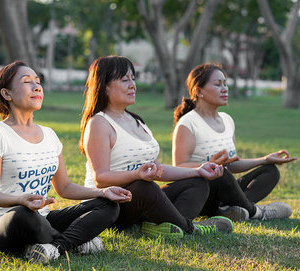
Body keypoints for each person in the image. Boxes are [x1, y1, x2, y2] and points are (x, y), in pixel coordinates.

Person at [0, 61, 132, 264]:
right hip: (7, 221)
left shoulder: (49, 135)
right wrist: (21, 200)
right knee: (25, 215)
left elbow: (65, 187)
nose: (36, 87)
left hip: (43, 218)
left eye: (38, 82)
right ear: (6, 94)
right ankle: (75, 241)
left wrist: (102, 192)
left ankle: (57, 246)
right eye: (27, 82)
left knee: (109, 206)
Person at [79, 56, 234, 238]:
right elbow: (101, 178)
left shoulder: (137, 121)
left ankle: (158, 226)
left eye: (133, 79)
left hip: (141, 200)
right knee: (145, 187)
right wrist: (137, 175)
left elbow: (157, 170)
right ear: (104, 86)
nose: (132, 85)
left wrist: (199, 171)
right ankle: (191, 228)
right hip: (110, 206)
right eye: (124, 80)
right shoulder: (99, 123)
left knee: (197, 184)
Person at [172, 63, 297, 221]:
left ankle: (228, 210)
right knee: (221, 172)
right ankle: (256, 212)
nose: (225, 89)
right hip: (200, 194)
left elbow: (233, 164)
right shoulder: (188, 124)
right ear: (199, 91)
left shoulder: (227, 120)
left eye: (225, 83)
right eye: (218, 84)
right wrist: (208, 165)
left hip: (225, 188)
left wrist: (265, 159)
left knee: (270, 171)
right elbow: (179, 167)